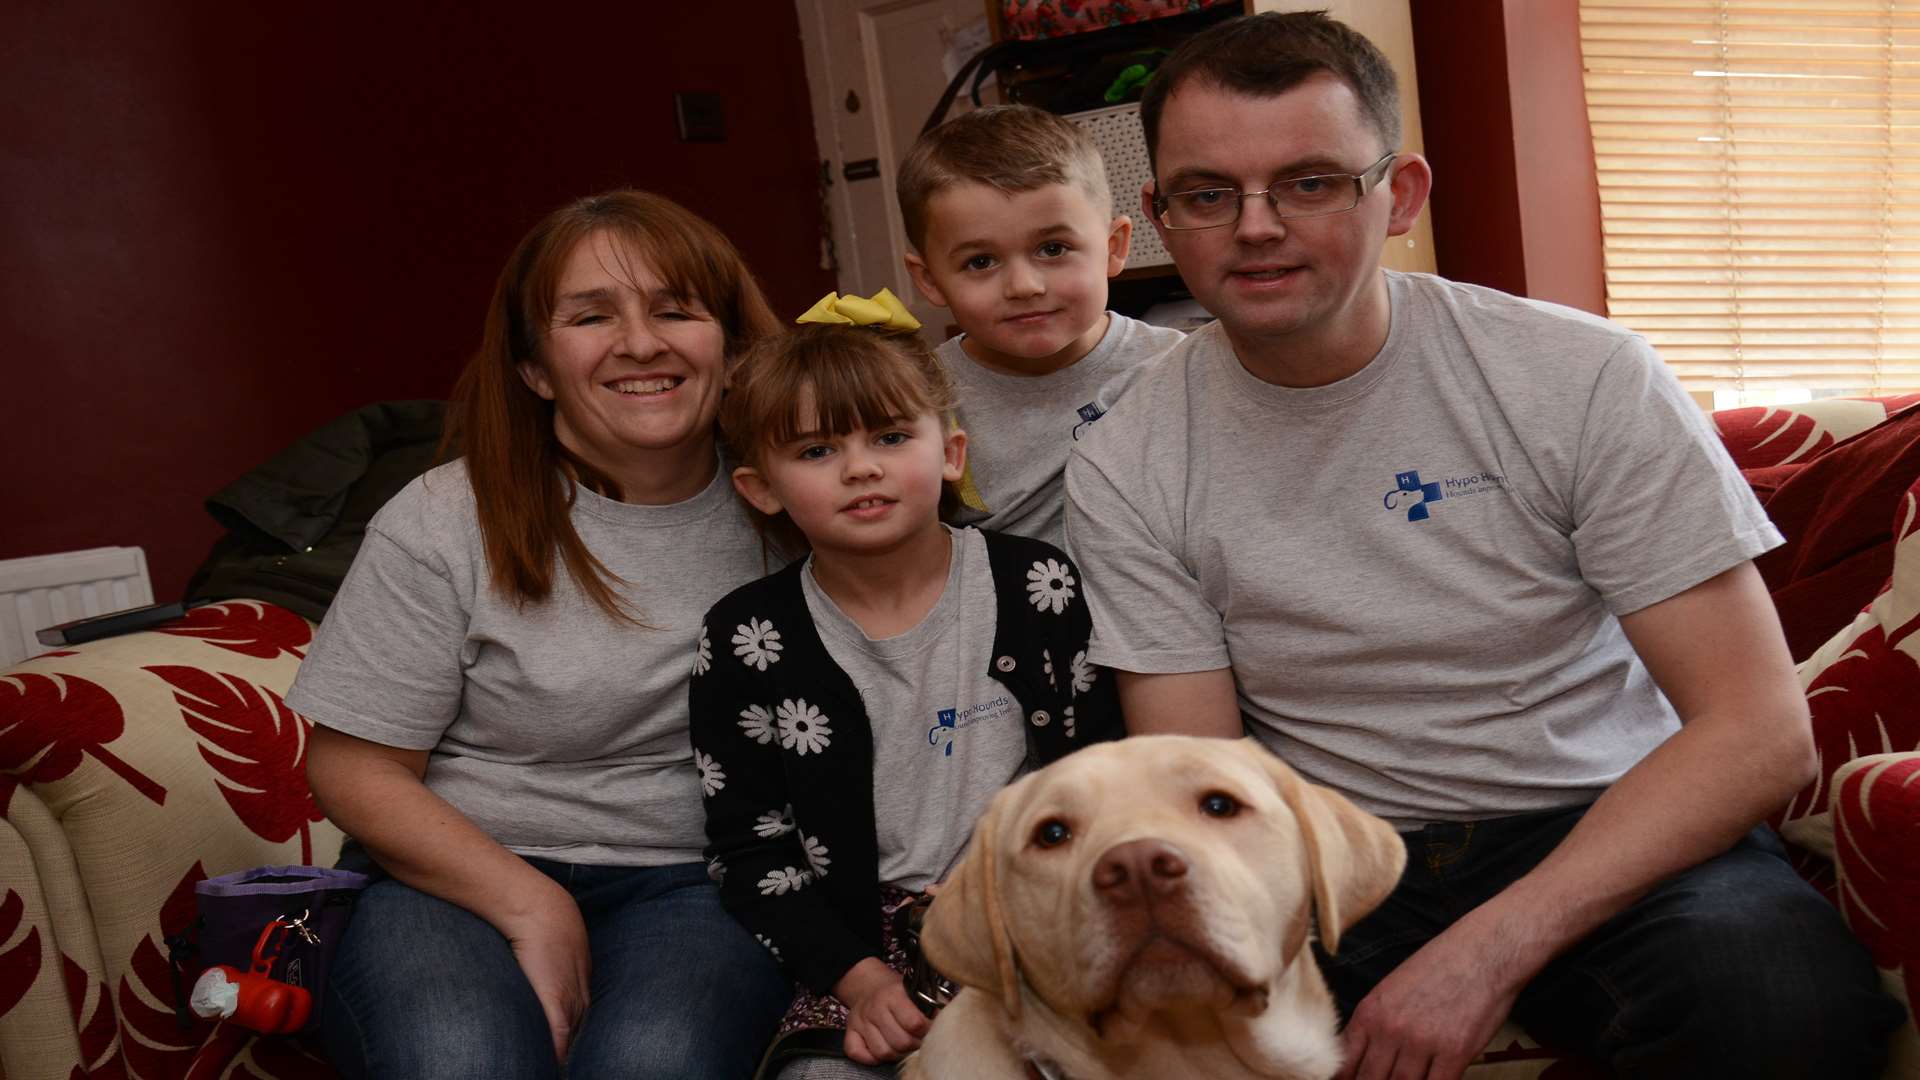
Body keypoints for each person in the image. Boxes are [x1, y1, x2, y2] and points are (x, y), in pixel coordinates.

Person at [1063, 12, 1905, 1079]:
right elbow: (1203, 775)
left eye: (1311, 182)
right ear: (1161, 216)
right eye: (1208, 193)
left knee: (1783, 1006)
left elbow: (1756, 732)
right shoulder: (1128, 453)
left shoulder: (1580, 377)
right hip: (1330, 851)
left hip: (1607, 818)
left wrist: (1482, 953)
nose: (1256, 226)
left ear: (1400, 195)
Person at [288, 190, 794, 1079]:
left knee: (652, 1064)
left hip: (701, 880)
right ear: (534, 367)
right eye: (591, 316)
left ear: (733, 342)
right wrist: (530, 904)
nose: (641, 343)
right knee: (460, 1062)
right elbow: (353, 765)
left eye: (677, 309)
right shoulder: (444, 519)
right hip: (452, 875)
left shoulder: (800, 502)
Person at [692, 302, 1120, 1078]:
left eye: (891, 437)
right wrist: (860, 981)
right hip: (864, 953)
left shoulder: (1036, 586)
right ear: (761, 489)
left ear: (951, 451)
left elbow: (1101, 772)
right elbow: (751, 851)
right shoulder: (746, 638)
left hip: (1036, 922)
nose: (862, 467)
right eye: (818, 450)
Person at [896, 104, 1184, 549]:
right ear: (929, 279)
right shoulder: (915, 396)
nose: (1024, 286)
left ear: (1114, 247)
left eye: (1053, 248)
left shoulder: (1178, 367)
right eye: (980, 261)